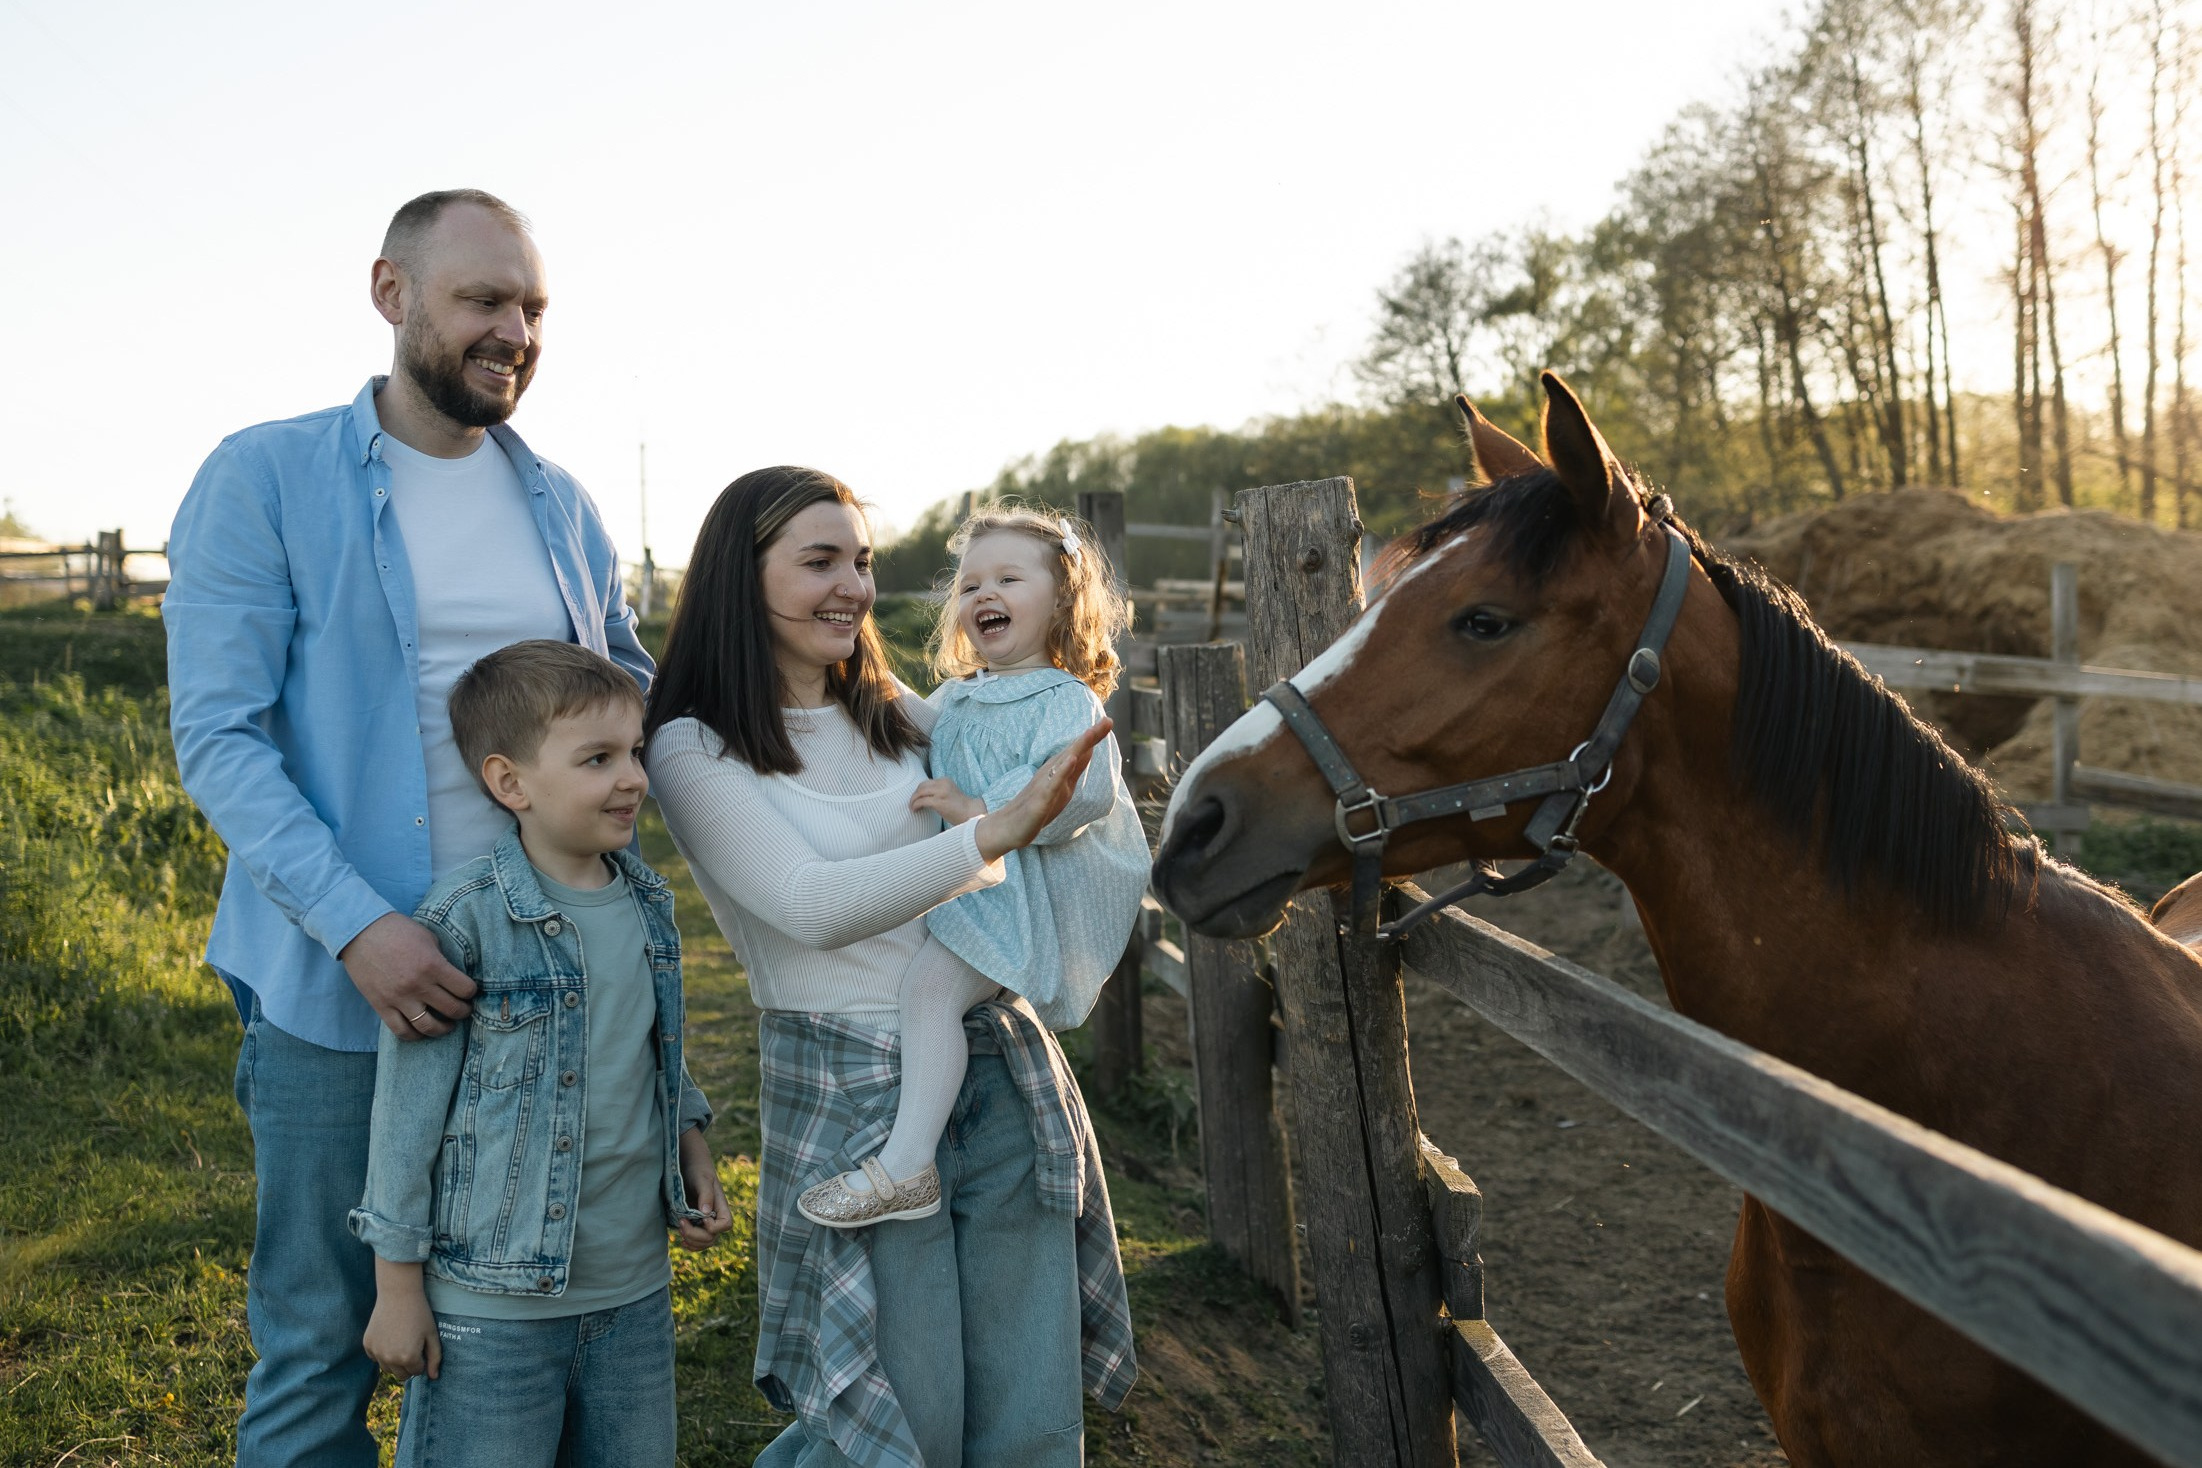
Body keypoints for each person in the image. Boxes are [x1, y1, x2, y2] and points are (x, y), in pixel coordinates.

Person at [164, 188, 650, 1466]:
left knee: (502, 1332)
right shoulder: (263, 477)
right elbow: (222, 736)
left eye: (534, 307)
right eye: (484, 299)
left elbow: (642, 700)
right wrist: (358, 930)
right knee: (325, 1345)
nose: (515, 330)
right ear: (393, 294)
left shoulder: (565, 507)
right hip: (344, 996)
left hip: (542, 997)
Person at [644, 467, 1137, 1466]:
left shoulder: (899, 710)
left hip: (996, 1064)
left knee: (1029, 1409)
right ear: (742, 581)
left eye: (861, 563)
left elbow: (1035, 760)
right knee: (902, 1415)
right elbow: (808, 906)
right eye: (818, 562)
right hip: (853, 1084)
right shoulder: (694, 747)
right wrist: (993, 835)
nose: (852, 588)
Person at [349, 640, 731, 1466]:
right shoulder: (464, 920)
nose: (632, 777)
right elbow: (406, 1118)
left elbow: (654, 1050)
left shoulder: (646, 901)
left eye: (633, 752)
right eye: (597, 759)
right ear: (509, 782)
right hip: (491, 1305)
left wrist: (690, 1142)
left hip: (632, 1295)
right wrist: (398, 1287)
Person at [796, 506, 1150, 1229]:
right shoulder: (965, 695)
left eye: (1009, 579)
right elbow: (933, 726)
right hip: (972, 891)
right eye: (970, 585)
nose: (983, 594)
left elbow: (1079, 792)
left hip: (1013, 901)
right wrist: (858, 670)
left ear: (1060, 601)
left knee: (929, 991)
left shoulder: (1065, 699)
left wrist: (979, 804)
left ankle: (906, 1166)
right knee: (923, 990)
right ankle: (911, 1157)